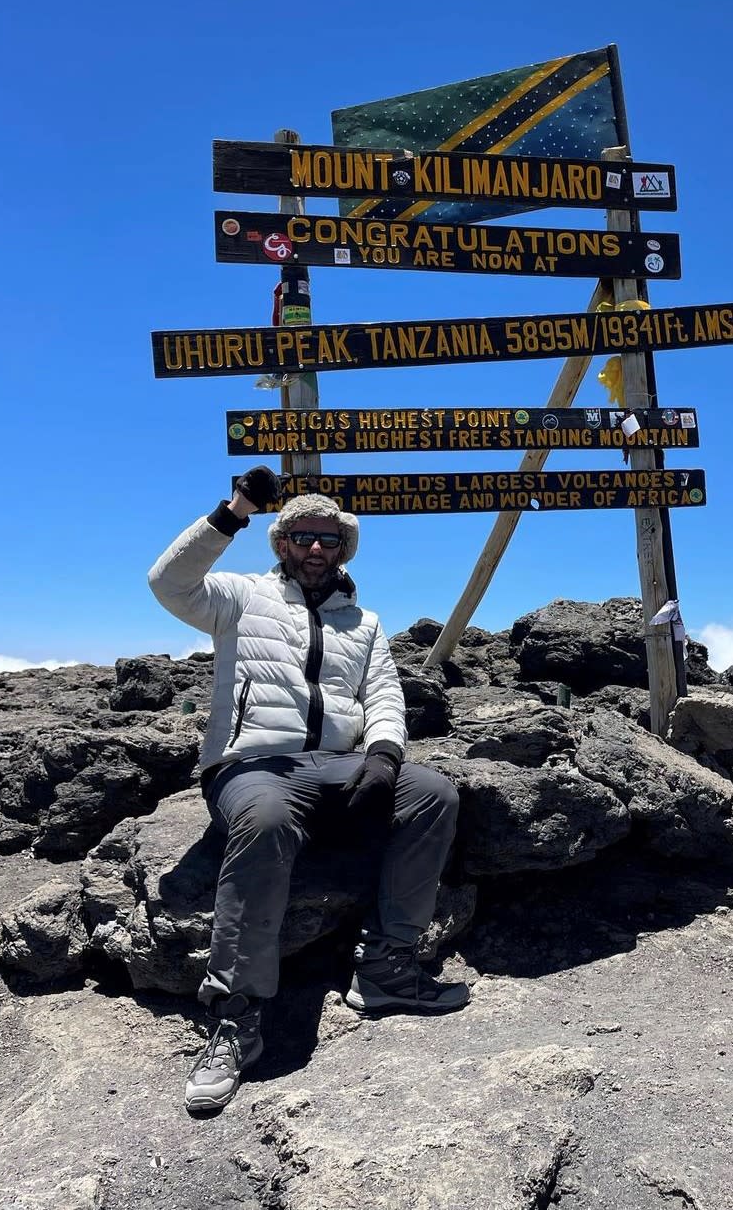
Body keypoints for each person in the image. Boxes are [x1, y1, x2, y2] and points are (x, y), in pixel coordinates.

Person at [148, 466, 468, 1115]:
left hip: (338, 763)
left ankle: (386, 965)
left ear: (343, 547)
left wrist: (383, 755)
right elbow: (167, 582)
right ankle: (235, 1017)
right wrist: (233, 510)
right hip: (251, 765)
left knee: (432, 793)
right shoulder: (238, 597)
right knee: (263, 822)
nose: (314, 547)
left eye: (327, 537)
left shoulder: (364, 621)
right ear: (281, 542)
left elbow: (382, 695)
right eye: (300, 535)